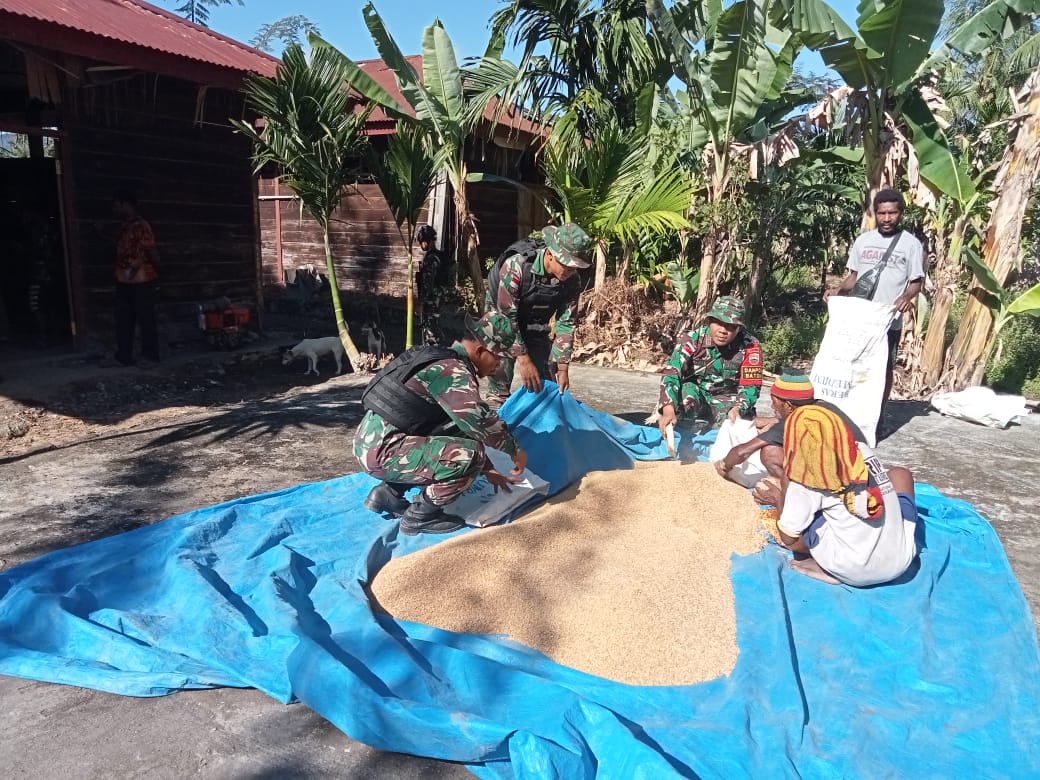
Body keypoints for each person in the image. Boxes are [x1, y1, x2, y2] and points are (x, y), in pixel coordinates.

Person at [354, 310, 529, 536]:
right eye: (499, 359)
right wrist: (514, 450)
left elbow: (460, 427)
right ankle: (421, 515)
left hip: (374, 445)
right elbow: (479, 422)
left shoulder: (439, 357)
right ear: (480, 350)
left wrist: (489, 469)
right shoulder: (453, 371)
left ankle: (387, 493)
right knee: (470, 456)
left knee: (454, 438)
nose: (499, 367)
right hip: (383, 452)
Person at [744, 370, 919, 587]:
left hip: (855, 571)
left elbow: (788, 539)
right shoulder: (860, 449)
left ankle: (828, 566)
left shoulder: (809, 476)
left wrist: (777, 498)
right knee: (899, 475)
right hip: (901, 562)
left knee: (801, 520)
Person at [825, 188, 925, 433]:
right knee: (851, 365)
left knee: (883, 370)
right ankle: (847, 414)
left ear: (901, 213)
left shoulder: (910, 245)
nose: (887, 218)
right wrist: (837, 290)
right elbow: (855, 277)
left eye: (892, 213)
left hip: (887, 321)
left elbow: (916, 281)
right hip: (859, 319)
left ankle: (875, 419)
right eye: (882, 213)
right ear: (875, 213)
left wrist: (905, 297)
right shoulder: (863, 241)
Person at [484, 222, 592, 406]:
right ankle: (496, 421)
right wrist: (524, 361)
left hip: (535, 322)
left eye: (575, 267)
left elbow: (566, 323)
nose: (571, 271)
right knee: (500, 379)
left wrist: (563, 367)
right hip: (501, 322)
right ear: (550, 255)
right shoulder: (516, 266)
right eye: (567, 265)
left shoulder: (572, 279)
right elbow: (506, 320)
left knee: (546, 386)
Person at [656, 295, 763, 437]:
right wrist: (668, 409)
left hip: (728, 399)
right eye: (719, 323)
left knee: (735, 427)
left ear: (739, 329)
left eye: (731, 326)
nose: (723, 331)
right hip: (696, 393)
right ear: (710, 321)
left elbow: (751, 386)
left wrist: (738, 408)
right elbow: (672, 373)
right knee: (685, 395)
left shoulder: (751, 346)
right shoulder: (692, 340)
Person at [110, 191, 160, 366]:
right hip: (123, 278)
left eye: (117, 205)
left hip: (142, 278)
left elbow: (151, 249)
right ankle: (124, 355)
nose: (115, 208)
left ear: (126, 204)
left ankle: (151, 356)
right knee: (123, 318)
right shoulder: (124, 227)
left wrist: (158, 269)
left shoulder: (141, 225)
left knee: (146, 318)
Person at [415, 224, 459, 345]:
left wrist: (421, 303)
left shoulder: (431, 258)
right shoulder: (440, 256)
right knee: (435, 326)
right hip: (440, 296)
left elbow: (427, 283)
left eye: (422, 242)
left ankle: (435, 352)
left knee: (430, 328)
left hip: (432, 298)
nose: (421, 245)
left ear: (427, 241)